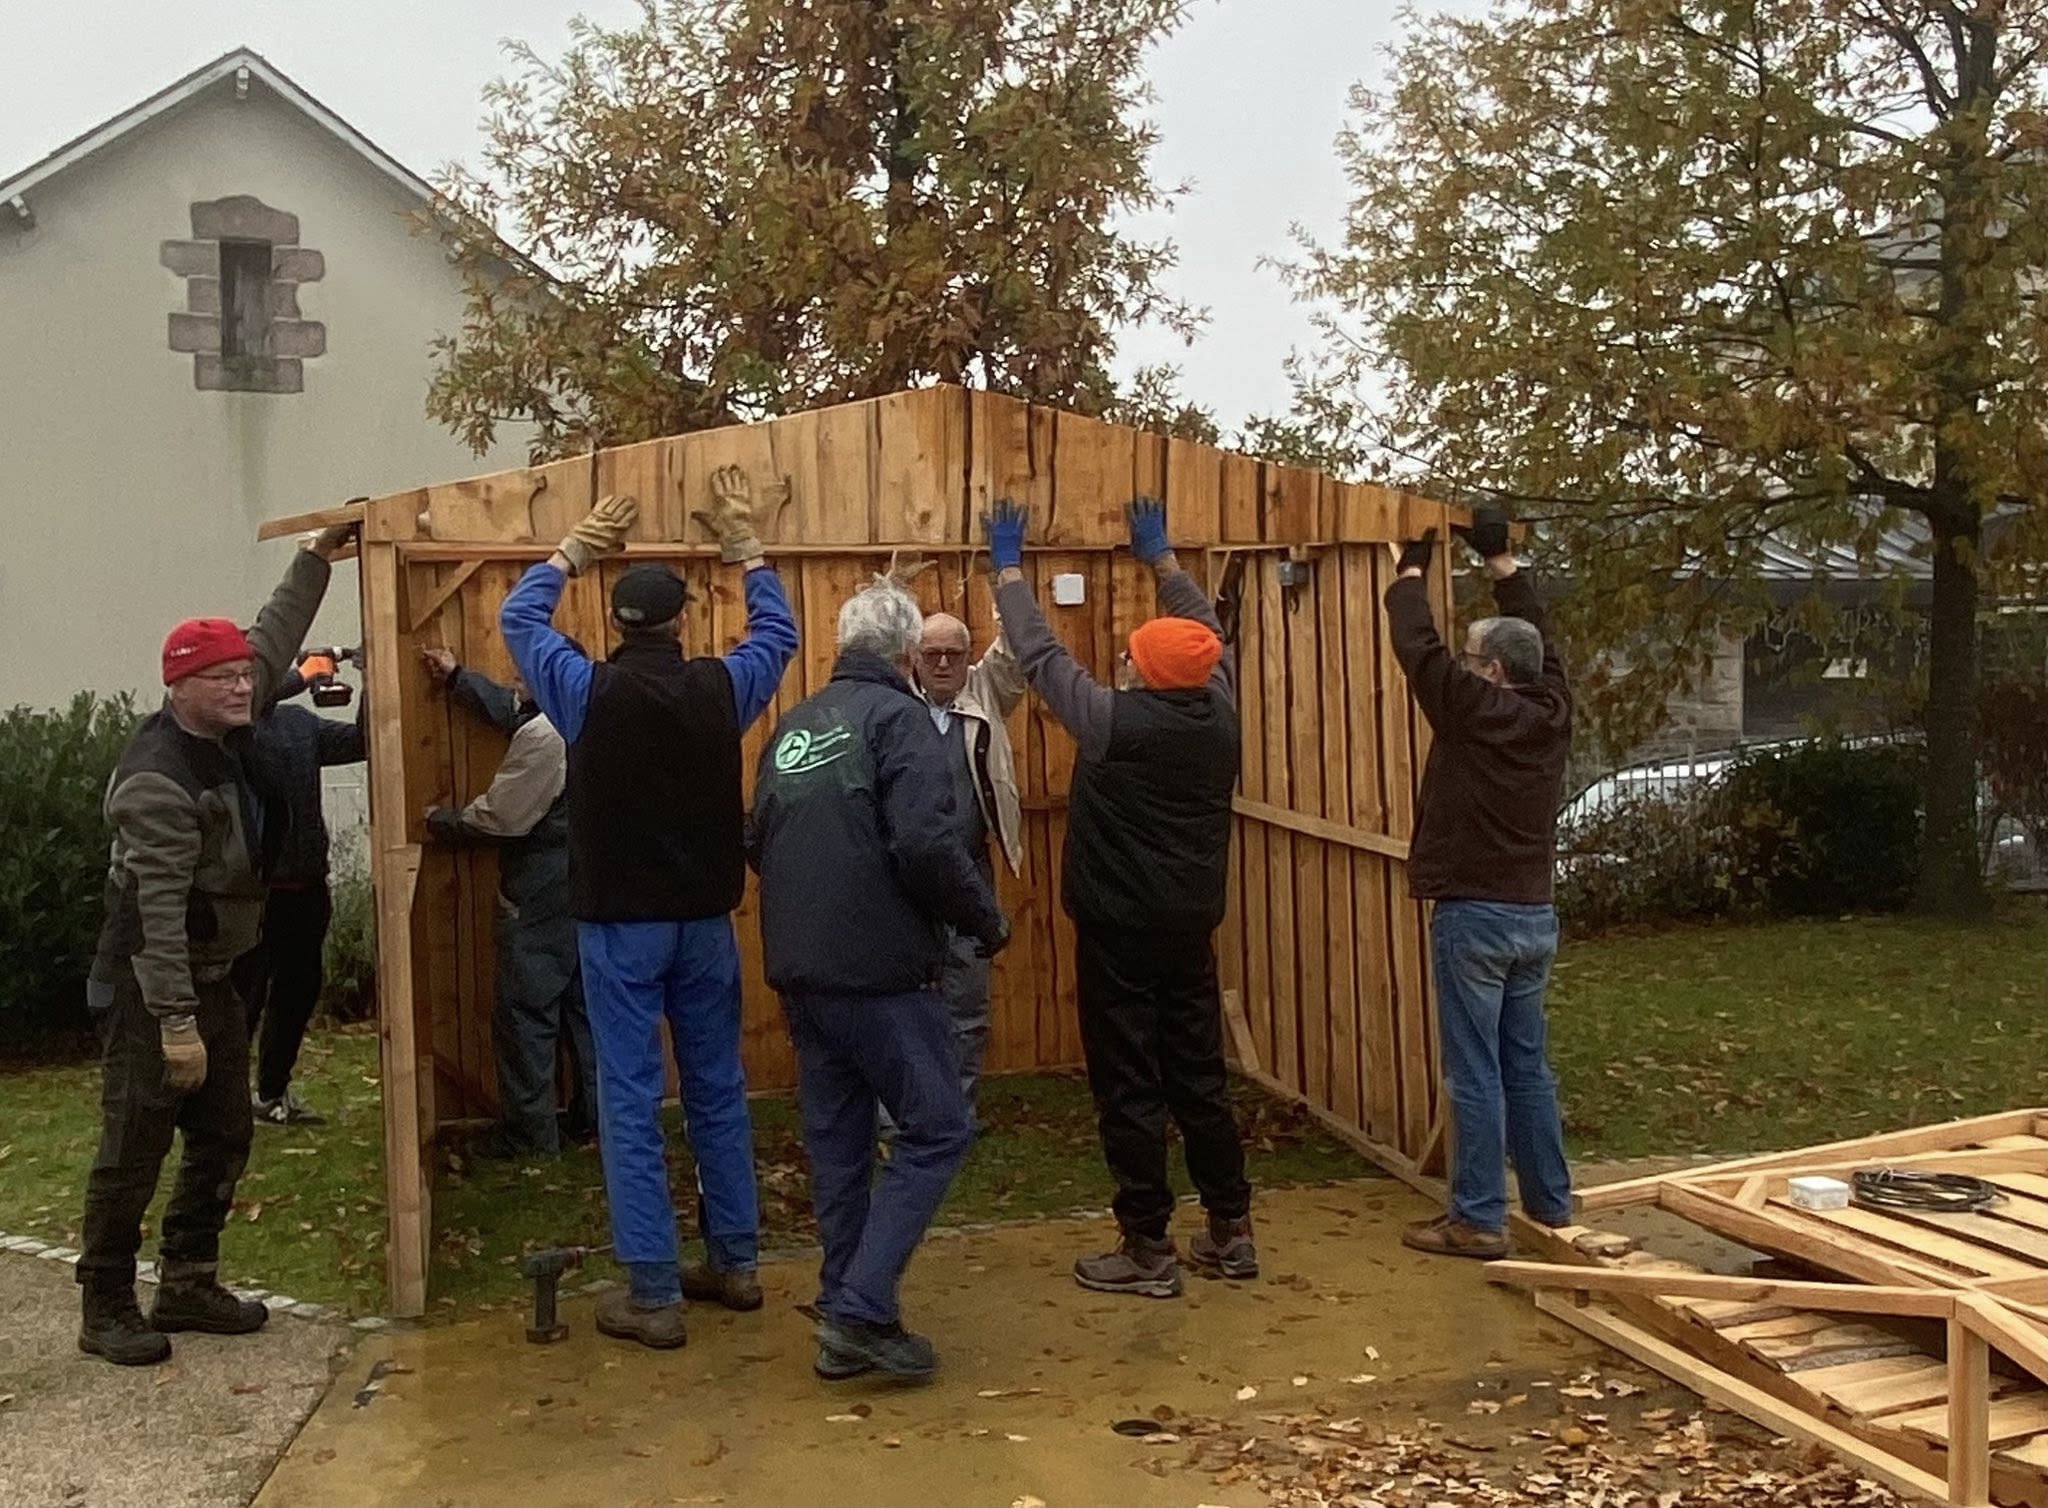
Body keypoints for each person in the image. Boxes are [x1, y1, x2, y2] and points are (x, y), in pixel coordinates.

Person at [501, 469, 797, 1349]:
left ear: (616, 624)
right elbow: (777, 632)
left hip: (618, 928)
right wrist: (745, 546)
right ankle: (736, 1263)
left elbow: (520, 622)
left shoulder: (586, 690)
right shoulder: (721, 688)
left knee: (630, 1097)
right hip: (705, 924)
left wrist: (570, 550)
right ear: (681, 621)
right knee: (716, 1088)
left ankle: (656, 1293)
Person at [76, 523, 354, 1366]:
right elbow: (156, 913)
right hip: (151, 984)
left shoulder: (228, 717)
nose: (245, 687)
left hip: (218, 976)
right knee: (135, 1142)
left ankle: (189, 1280)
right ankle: (107, 1303)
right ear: (180, 687)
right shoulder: (159, 779)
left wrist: (315, 558)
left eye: (245, 677)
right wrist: (173, 1023)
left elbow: (272, 638)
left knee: (227, 1128)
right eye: (224, 678)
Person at [988, 496, 1255, 1299]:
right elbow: (1204, 629)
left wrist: (1006, 567)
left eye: (1133, 656)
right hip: (1189, 928)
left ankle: (1148, 1249)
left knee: (1131, 1084)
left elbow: (1038, 654)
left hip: (1119, 935)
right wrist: (1164, 562)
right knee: (1199, 1076)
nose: (1123, 662)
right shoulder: (1222, 713)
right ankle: (1231, 1231)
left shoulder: (1111, 721)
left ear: (1144, 672)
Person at [749, 578, 1010, 1382]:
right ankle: (862, 1309)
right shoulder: (900, 721)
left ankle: (844, 1306)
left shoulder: (794, 727)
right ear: (903, 656)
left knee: (839, 1144)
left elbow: (760, 841)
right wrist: (984, 919)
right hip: (881, 975)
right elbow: (928, 846)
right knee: (938, 1127)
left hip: (803, 973)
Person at [1383, 507, 1574, 1259]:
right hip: (1534, 915)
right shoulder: (1552, 707)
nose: (1459, 664)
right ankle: (1551, 1205)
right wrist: (1501, 562)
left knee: (1474, 1071)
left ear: (1492, 672)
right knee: (1525, 1062)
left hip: (1477, 919)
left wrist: (1409, 573)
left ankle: (1477, 1218)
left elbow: (1414, 646)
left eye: (1472, 657)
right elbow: (1540, 639)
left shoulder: (1473, 709)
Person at [420, 647, 598, 1159]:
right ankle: (595, 1124)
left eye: (523, 672)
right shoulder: (593, 711)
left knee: (527, 1014)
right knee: (586, 1013)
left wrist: (441, 821)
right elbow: (517, 711)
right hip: (596, 885)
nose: (513, 678)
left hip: (545, 888)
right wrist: (459, 679)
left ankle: (531, 1138)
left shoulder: (546, 739)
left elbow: (504, 817)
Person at [232, 654, 367, 1126]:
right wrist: (306, 673)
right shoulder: (236, 731)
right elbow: (252, 698)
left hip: (307, 889)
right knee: (242, 1003)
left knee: (295, 998)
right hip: (257, 895)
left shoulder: (299, 723)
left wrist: (375, 677)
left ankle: (271, 1094)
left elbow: (361, 741)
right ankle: (221, 1105)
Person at [904, 605, 1025, 1124]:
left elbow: (1017, 656)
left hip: (971, 871)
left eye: (955, 654)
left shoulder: (986, 694)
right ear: (913, 657)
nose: (945, 664)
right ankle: (905, 1114)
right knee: (904, 1001)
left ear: (969, 657)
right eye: (933, 654)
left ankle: (959, 1113)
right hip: (904, 881)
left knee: (969, 1004)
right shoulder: (892, 706)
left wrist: (1005, 584)